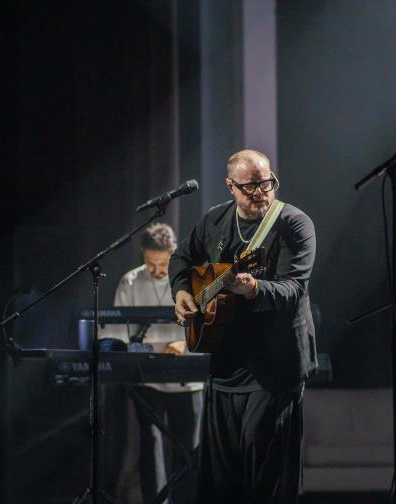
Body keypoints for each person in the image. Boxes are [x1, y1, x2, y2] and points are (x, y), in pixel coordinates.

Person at [168, 149, 317, 502]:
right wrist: (181, 293)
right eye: (250, 186)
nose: (261, 192)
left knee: (268, 478)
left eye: (267, 183)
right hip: (225, 364)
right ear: (231, 186)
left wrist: (253, 288)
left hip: (273, 367)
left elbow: (293, 289)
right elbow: (181, 258)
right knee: (222, 480)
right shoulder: (215, 219)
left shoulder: (293, 223)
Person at [112, 222, 203, 504]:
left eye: (162, 264)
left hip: (187, 380)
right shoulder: (130, 282)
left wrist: (185, 345)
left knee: (188, 451)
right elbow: (116, 335)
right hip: (146, 377)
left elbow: (209, 327)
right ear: (143, 255)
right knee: (149, 448)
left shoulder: (192, 278)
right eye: (151, 264)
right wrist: (144, 349)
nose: (156, 271)